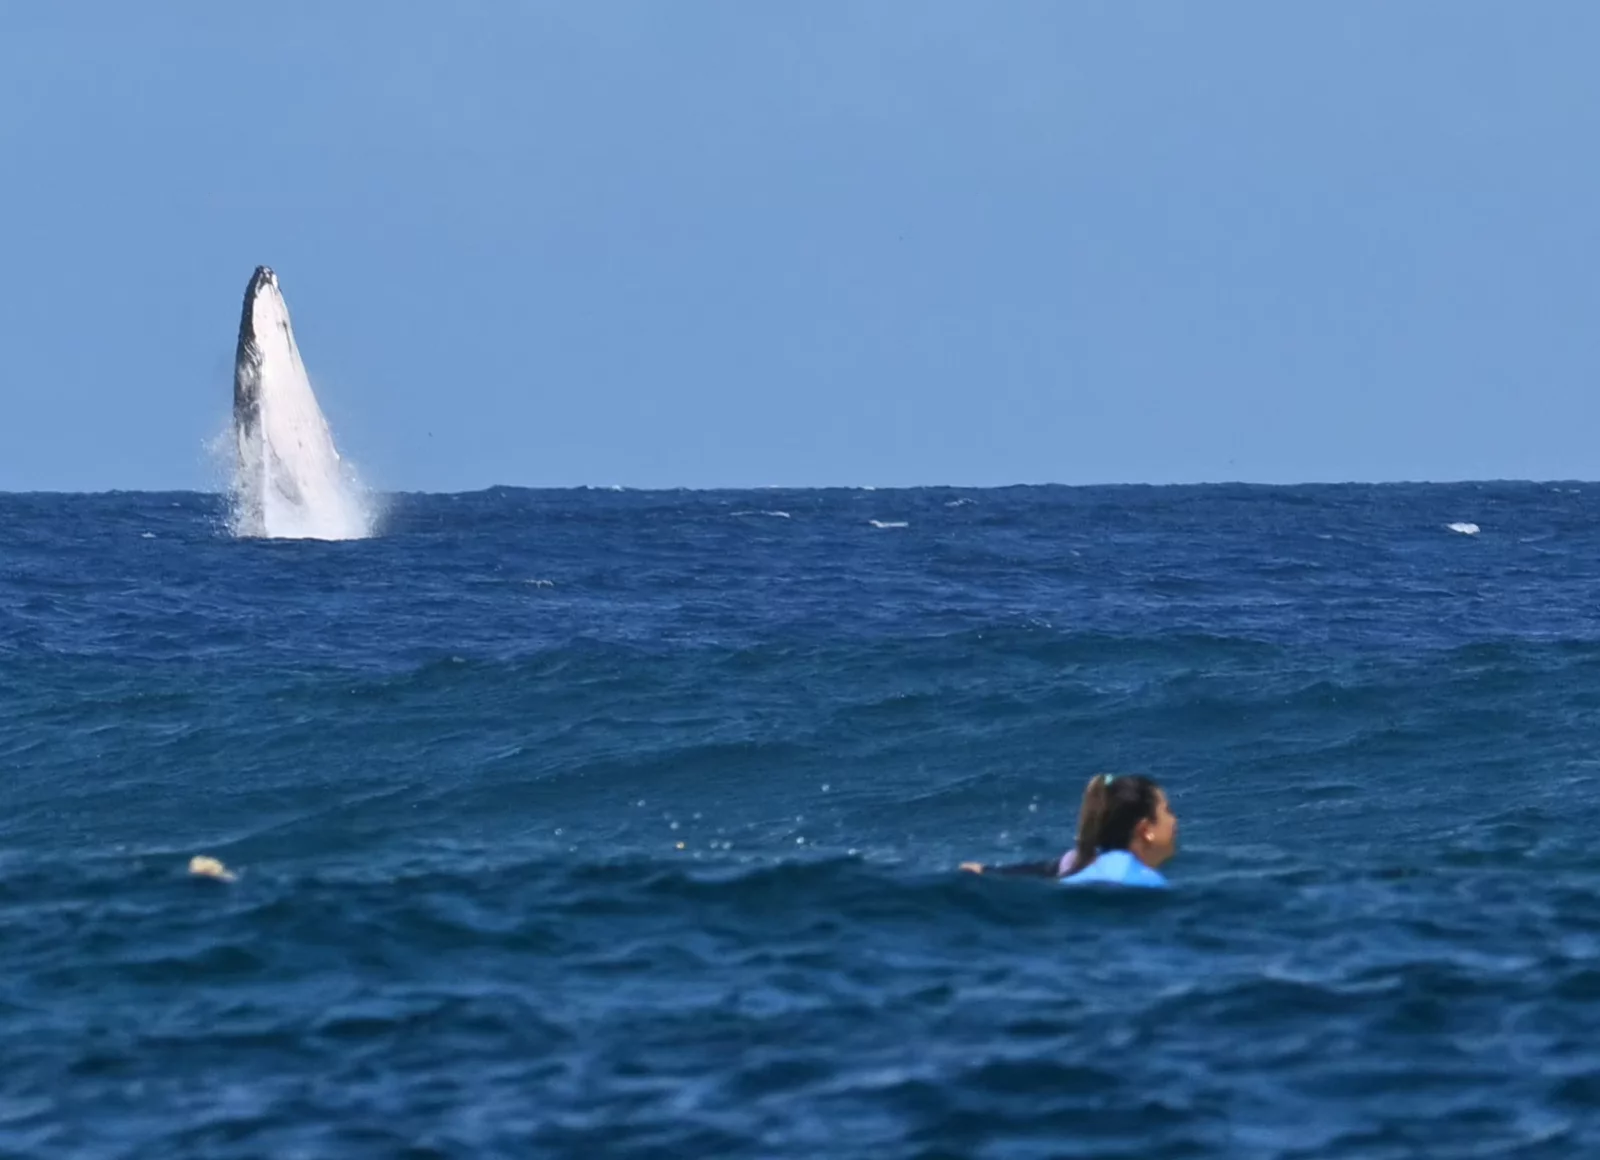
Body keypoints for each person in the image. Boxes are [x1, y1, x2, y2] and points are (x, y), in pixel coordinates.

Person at [960, 773, 1178, 889]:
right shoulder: (1142, 881)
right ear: (1145, 829)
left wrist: (985, 871)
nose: (1174, 821)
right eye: (1167, 811)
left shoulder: (1078, 862)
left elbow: (1033, 871)